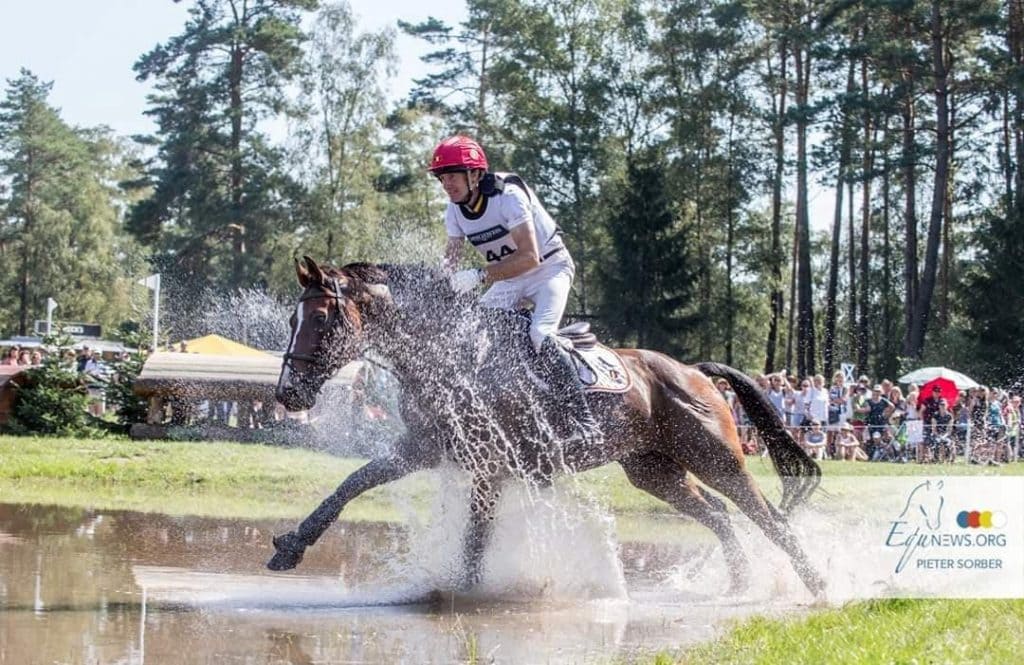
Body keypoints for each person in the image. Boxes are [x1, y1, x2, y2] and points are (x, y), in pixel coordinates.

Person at [430, 135, 601, 448]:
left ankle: (584, 422)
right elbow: (450, 262)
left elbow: (529, 257)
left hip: (549, 268)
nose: (447, 184)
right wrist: (438, 288)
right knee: (472, 331)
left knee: (541, 334)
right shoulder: (454, 211)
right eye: (442, 178)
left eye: (452, 176)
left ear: (475, 174)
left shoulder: (508, 197)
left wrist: (479, 275)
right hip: (510, 277)